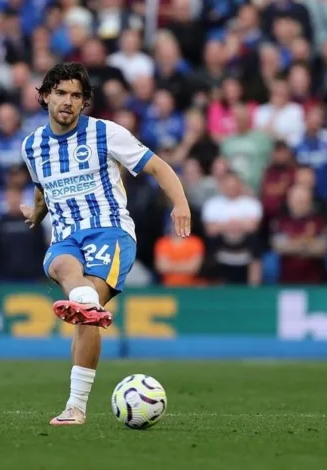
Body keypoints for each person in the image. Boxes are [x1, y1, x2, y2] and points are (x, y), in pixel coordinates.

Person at [19, 63, 190, 425]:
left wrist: (181, 204)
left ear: (85, 103)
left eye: (76, 95)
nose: (68, 101)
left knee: (85, 313)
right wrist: (36, 216)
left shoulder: (105, 134)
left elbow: (158, 166)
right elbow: (42, 189)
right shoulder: (32, 146)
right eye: (61, 93)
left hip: (109, 232)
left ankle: (75, 408)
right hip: (65, 234)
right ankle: (84, 302)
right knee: (66, 273)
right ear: (44, 95)